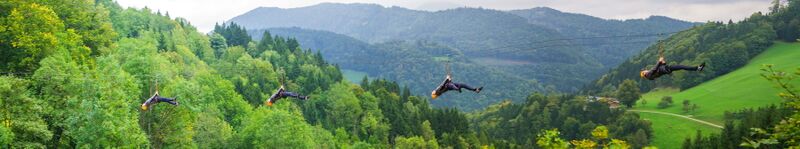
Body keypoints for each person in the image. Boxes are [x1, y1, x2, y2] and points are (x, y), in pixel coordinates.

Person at [640, 57, 706, 80]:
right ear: (644, 73)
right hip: (666, 69)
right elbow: (654, 69)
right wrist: (659, 61)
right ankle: (697, 68)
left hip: (666, 69)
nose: (645, 70)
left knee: (682, 66)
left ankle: (698, 68)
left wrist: (663, 62)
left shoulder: (649, 75)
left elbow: (657, 69)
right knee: (682, 66)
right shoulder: (648, 75)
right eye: (644, 71)